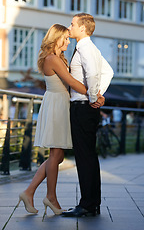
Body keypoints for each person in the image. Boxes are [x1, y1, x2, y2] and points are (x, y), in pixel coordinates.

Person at [16, 24, 103, 216]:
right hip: (56, 106)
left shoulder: (58, 58)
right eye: (65, 37)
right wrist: (94, 96)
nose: (68, 40)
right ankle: (50, 197)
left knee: (58, 155)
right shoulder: (52, 58)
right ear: (56, 38)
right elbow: (71, 82)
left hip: (60, 104)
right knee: (56, 155)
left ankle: (29, 192)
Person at [62, 13, 114, 217]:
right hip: (86, 107)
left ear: (83, 28)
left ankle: (87, 204)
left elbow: (94, 73)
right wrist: (98, 94)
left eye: (73, 24)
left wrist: (94, 96)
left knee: (84, 157)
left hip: (83, 107)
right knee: (89, 157)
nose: (70, 27)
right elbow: (108, 72)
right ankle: (92, 203)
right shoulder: (90, 48)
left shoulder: (85, 48)